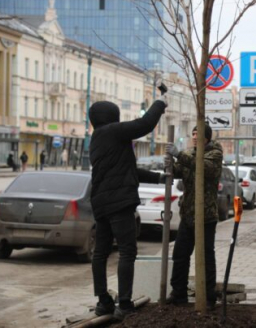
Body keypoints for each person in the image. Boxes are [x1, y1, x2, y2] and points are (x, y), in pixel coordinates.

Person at [88, 93, 168, 320]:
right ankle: (124, 303)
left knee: (101, 252)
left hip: (101, 203)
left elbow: (128, 170)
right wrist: (160, 103)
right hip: (119, 203)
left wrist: (159, 178)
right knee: (127, 250)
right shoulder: (113, 132)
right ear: (112, 117)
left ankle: (103, 301)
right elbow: (145, 124)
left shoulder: (98, 139)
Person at [164, 124, 223, 310]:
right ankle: (178, 293)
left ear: (207, 137)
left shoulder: (215, 153)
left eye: (199, 134)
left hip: (206, 215)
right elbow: (181, 170)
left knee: (205, 257)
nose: (195, 137)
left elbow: (203, 167)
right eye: (193, 134)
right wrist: (170, 166)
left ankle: (208, 296)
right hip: (188, 214)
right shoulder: (190, 153)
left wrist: (179, 154)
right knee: (180, 255)